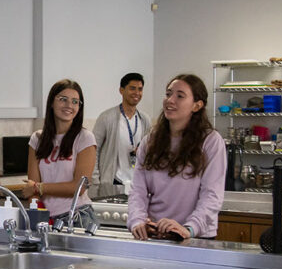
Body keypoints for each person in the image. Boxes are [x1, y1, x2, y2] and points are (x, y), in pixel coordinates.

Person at [128, 74, 226, 240]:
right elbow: (138, 190)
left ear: (197, 105)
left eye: (180, 96)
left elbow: (212, 195)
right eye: (168, 94)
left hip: (193, 236)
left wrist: (189, 228)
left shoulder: (210, 141)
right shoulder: (150, 141)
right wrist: (137, 221)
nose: (170, 100)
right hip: (156, 233)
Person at [23, 80, 97, 225]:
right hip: (46, 218)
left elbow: (79, 187)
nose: (69, 105)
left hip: (78, 217)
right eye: (63, 99)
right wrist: (37, 213)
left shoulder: (85, 138)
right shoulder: (37, 139)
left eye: (75, 102)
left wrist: (40, 187)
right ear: (51, 102)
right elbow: (32, 189)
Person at [93, 73, 151, 188]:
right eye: (132, 88)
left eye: (140, 89)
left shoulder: (145, 119)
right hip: (113, 183)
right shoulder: (106, 117)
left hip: (136, 184)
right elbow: (94, 150)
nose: (137, 93)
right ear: (121, 90)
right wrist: (95, 181)